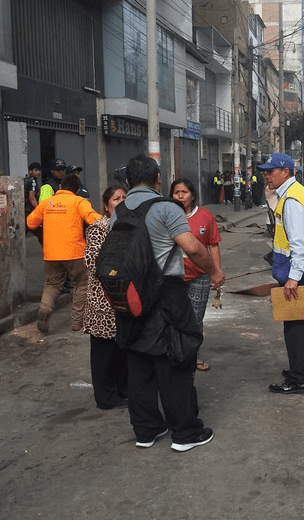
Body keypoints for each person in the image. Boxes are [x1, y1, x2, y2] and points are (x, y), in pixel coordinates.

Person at [114, 155, 225, 451]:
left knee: (138, 363)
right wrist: (213, 271)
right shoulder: (165, 208)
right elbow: (191, 246)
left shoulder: (119, 210)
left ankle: (146, 430)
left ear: (128, 181)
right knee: (176, 358)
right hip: (166, 295)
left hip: (130, 296)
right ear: (158, 179)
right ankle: (185, 433)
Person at [258, 152, 304, 395]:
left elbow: (297, 244)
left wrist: (293, 278)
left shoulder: (291, 201)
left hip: (298, 268)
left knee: (295, 324)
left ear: (285, 172)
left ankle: (298, 380)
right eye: (265, 171)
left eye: (270, 171)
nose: (266, 175)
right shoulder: (294, 192)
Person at [27, 173, 102, 334]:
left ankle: (45, 309)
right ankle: (77, 322)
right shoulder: (79, 202)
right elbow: (94, 220)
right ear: (77, 190)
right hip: (75, 253)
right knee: (81, 283)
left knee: (52, 284)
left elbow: (30, 222)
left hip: (51, 254)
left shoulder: (47, 203)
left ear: (60, 187)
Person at [83, 184, 129, 410]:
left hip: (123, 298)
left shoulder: (128, 227)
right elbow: (92, 263)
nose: (120, 201)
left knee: (121, 349)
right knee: (103, 352)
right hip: (103, 299)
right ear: (106, 206)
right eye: (115, 199)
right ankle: (105, 396)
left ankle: (122, 389)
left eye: (124, 198)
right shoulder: (98, 229)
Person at [170, 177, 222, 373]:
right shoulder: (167, 216)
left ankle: (194, 356)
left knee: (195, 320)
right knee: (173, 318)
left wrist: (216, 272)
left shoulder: (205, 217)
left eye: (184, 192)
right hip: (173, 278)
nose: (181, 196)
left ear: (192, 195)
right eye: (177, 192)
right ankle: (175, 353)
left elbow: (213, 245)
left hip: (199, 277)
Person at [25, 162, 43, 243]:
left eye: (39, 170)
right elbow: (31, 197)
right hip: (29, 212)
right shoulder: (33, 181)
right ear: (31, 171)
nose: (38, 172)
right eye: (36, 170)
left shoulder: (26, 180)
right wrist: (39, 209)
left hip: (24, 212)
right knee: (41, 233)